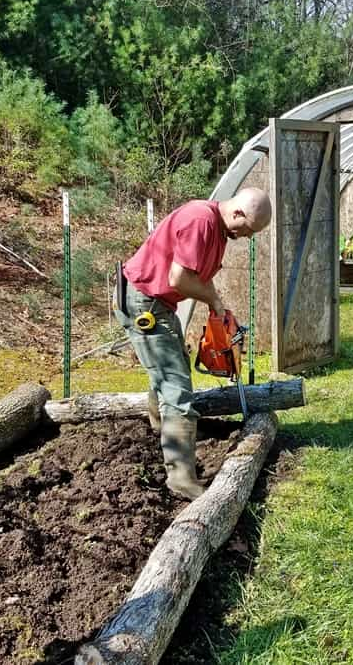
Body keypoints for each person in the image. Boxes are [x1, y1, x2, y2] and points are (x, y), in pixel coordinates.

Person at [115, 188, 272, 500]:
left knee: (172, 367)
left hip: (159, 302)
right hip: (145, 301)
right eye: (249, 230)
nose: (247, 236)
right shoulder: (201, 220)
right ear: (238, 213)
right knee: (176, 385)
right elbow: (179, 279)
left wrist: (218, 306)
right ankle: (182, 478)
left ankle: (167, 430)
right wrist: (212, 298)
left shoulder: (218, 229)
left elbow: (199, 273)